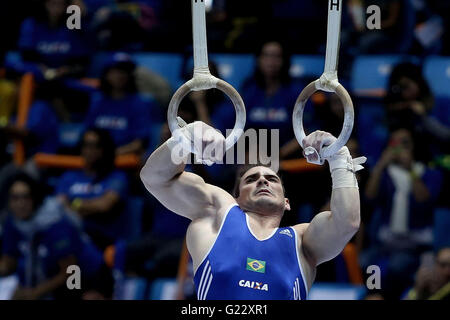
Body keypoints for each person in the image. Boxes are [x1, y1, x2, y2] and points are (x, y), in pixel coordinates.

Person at [140, 120, 364, 300]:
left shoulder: (302, 241)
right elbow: (155, 179)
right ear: (236, 198)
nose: (262, 181)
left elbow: (347, 222)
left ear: (286, 202)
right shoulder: (218, 215)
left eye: (271, 179)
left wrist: (339, 157)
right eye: (251, 179)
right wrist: (185, 138)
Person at [0, 172, 112, 299]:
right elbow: (9, 262)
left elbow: (71, 272)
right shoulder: (13, 222)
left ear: (35, 198)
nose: (20, 204)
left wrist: (35, 293)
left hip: (83, 278)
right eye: (15, 198)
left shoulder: (55, 224)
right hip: (49, 279)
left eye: (26, 197)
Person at [56, 128, 129, 250]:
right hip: (72, 232)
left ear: (104, 149)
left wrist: (75, 203)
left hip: (102, 238)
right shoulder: (69, 176)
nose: (89, 150)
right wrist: (87, 208)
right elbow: (59, 205)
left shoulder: (116, 177)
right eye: (86, 145)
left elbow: (104, 206)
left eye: (95, 146)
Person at [84, 53, 162, 156]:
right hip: (95, 159)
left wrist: (109, 156)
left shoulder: (140, 104)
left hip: (124, 162)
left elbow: (138, 143)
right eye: (115, 71)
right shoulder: (97, 101)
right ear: (106, 74)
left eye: (124, 71)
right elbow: (88, 134)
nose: (120, 75)